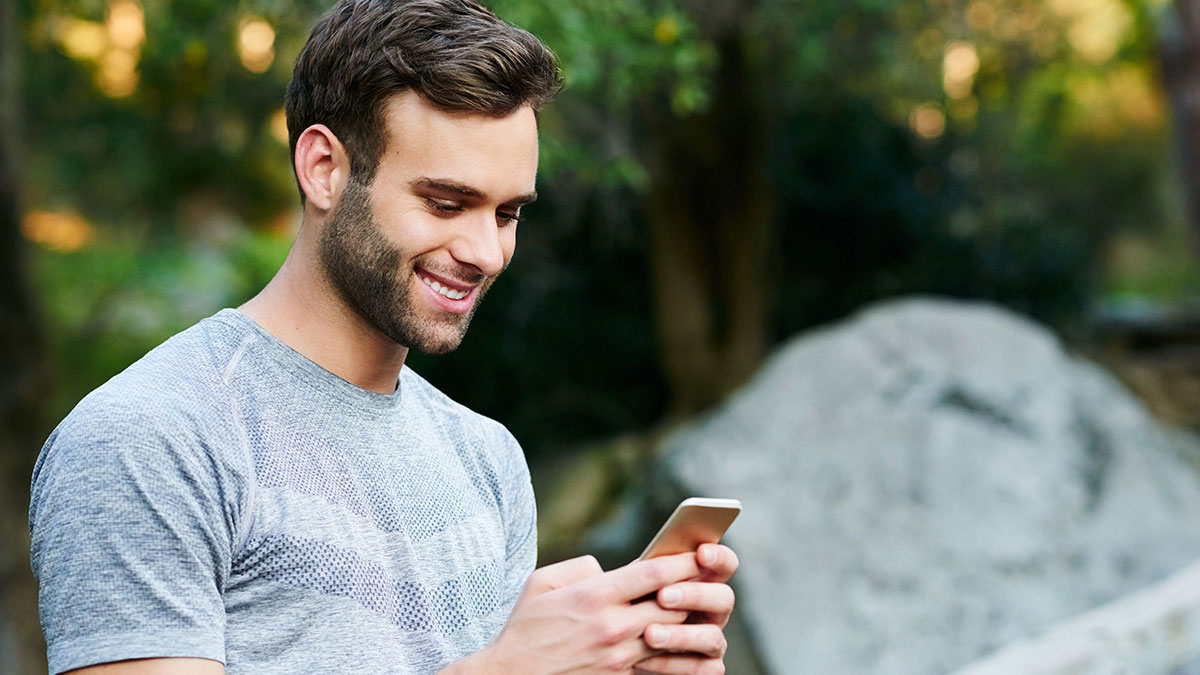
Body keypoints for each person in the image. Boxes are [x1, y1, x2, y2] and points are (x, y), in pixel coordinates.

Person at [28, 1, 739, 673]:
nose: (486, 252)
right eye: (446, 202)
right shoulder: (149, 438)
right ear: (324, 169)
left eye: (507, 213)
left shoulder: (486, 459)